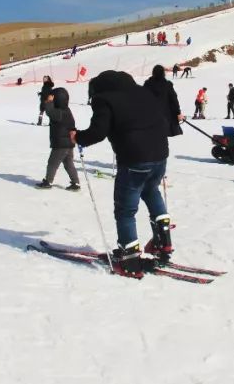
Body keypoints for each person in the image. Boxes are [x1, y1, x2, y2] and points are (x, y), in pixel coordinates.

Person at [71, 70, 172, 276]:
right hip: (160, 155)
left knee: (125, 210)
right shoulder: (143, 92)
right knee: (151, 190)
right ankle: (163, 243)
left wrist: (78, 137)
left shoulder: (104, 98)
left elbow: (98, 131)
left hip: (135, 158)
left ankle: (130, 260)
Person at [36, 87, 80, 190]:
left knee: (52, 163)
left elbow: (49, 112)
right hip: (68, 143)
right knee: (68, 163)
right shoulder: (67, 110)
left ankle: (48, 181)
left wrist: (49, 101)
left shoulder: (59, 112)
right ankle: (76, 183)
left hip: (61, 144)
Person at [143, 65, 184, 137]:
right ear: (163, 73)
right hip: (166, 118)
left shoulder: (147, 85)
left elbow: (142, 101)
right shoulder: (167, 85)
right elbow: (174, 100)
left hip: (150, 118)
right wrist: (178, 113)